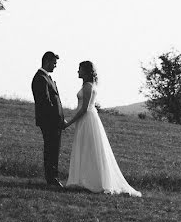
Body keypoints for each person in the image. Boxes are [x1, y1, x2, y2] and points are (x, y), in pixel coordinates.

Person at [63, 61, 142, 196]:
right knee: (87, 149)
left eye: (80, 69)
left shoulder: (88, 86)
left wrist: (68, 123)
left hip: (87, 120)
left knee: (89, 149)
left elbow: (84, 109)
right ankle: (83, 179)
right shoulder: (88, 85)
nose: (78, 72)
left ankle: (92, 181)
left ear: (86, 71)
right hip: (87, 120)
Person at [31, 51, 65, 187]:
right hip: (49, 121)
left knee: (54, 149)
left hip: (55, 122)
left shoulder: (47, 78)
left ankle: (53, 177)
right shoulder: (40, 78)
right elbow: (45, 102)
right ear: (47, 61)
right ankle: (51, 178)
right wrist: (55, 119)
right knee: (51, 149)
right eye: (54, 63)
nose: (55, 66)